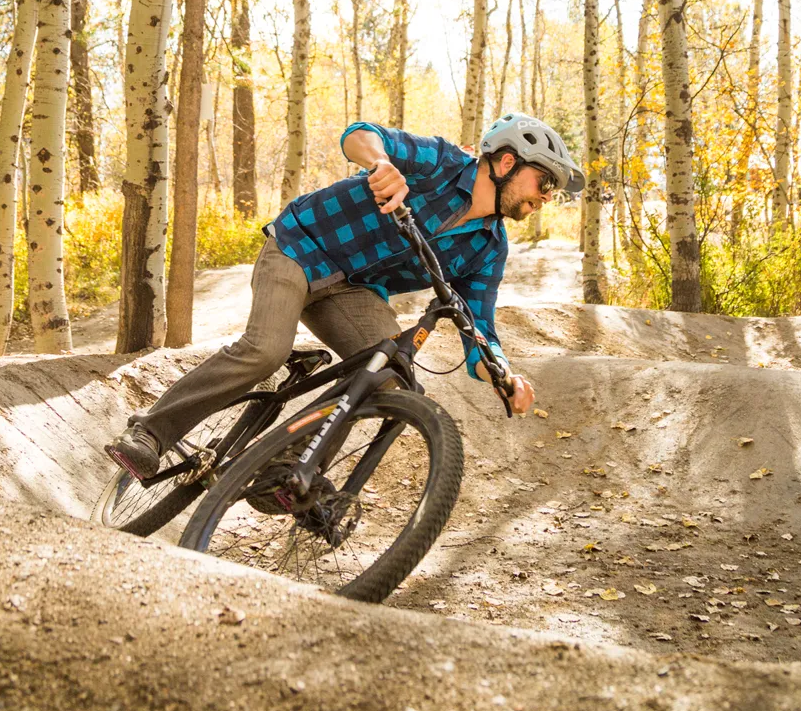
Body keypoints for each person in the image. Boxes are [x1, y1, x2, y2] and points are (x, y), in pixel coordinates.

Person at [105, 113, 585, 480]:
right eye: (545, 183)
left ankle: (290, 469)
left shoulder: (489, 247)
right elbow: (358, 134)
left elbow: (478, 328)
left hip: (353, 291)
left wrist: (502, 373)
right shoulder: (441, 162)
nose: (547, 197)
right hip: (301, 248)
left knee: (392, 383)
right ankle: (151, 430)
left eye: (554, 192)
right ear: (506, 163)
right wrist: (381, 163)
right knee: (265, 351)